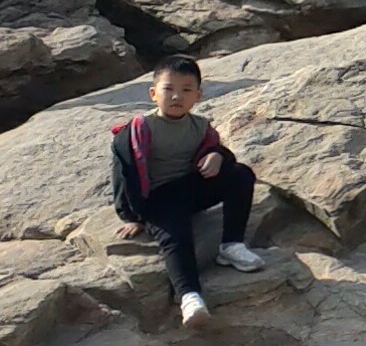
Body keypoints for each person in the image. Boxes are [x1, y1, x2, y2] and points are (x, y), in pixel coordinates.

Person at [107, 56, 270, 330]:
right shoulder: (138, 130)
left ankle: (231, 246)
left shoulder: (200, 126)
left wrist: (218, 155)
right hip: (158, 198)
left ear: (198, 95)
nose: (176, 97)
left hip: (190, 188)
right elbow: (123, 172)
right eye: (168, 89)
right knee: (177, 237)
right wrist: (132, 216)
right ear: (153, 93)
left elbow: (217, 150)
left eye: (186, 90)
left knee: (241, 174)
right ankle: (190, 297)